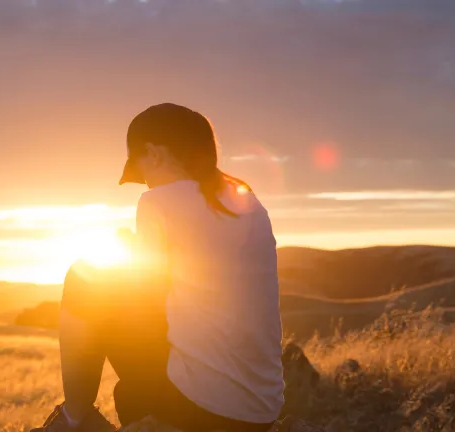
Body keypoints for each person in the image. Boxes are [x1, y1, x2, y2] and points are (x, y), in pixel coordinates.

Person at [32, 103, 285, 432]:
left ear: (153, 153)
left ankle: (75, 417)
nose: (147, 183)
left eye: (141, 170)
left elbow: (147, 295)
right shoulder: (249, 202)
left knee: (84, 276)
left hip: (200, 407)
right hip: (261, 411)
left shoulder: (157, 202)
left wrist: (128, 250)